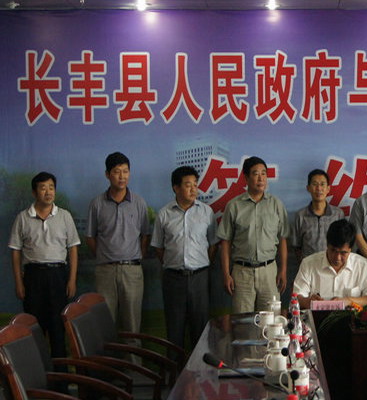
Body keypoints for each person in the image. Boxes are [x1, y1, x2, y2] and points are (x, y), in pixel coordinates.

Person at [9, 172, 80, 359]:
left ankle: (60, 375)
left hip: (58, 276)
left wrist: (72, 280)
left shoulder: (64, 216)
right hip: (33, 277)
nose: (48, 192)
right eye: (43, 188)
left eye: (51, 187)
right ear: (34, 192)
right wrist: (19, 282)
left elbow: (73, 249)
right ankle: (38, 375)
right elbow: (15, 252)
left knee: (58, 328)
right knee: (34, 328)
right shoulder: (23, 218)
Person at [151, 166, 218, 349]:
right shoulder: (164, 214)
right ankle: (175, 367)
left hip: (200, 277)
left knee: (201, 329)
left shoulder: (206, 212)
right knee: (174, 329)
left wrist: (200, 264)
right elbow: (158, 247)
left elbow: (213, 245)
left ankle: (201, 366)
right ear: (176, 188)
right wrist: (175, 262)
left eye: (195, 185)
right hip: (173, 278)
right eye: (188, 185)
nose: (193, 189)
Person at [86, 152, 150, 338]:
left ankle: (132, 358)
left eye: (125, 171)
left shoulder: (139, 202)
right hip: (105, 271)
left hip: (132, 270)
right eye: (116, 172)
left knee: (132, 326)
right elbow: (90, 237)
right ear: (107, 174)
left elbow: (145, 235)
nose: (122, 176)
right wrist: (105, 256)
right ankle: (108, 359)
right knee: (105, 325)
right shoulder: (97, 204)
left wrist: (137, 256)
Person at [217, 156, 289, 313]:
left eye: (264, 173)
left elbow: (283, 238)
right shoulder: (234, 206)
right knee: (242, 321)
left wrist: (283, 270)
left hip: (269, 271)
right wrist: (226, 274)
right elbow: (225, 242)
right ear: (246, 178)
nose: (261, 178)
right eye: (256, 174)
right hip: (242, 273)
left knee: (271, 320)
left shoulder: (276, 204)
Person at [293, 219, 367, 309]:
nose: (337, 257)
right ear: (327, 245)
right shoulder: (308, 264)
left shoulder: (362, 265)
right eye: (333, 250)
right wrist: (308, 302)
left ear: (350, 250)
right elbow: (296, 298)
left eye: (343, 253)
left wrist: (349, 301)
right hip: (316, 317)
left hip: (351, 317)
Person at [290, 169, 344, 261]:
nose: (319, 188)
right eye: (315, 184)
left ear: (328, 189)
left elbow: (342, 243)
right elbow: (296, 246)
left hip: (332, 265)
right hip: (309, 266)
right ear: (308, 188)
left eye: (322, 184)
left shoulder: (338, 214)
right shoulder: (300, 215)